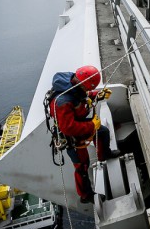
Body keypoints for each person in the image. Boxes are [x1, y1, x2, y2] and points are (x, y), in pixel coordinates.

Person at [48, 65, 115, 204]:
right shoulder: (63, 102)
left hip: (78, 124)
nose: (88, 91)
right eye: (88, 88)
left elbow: (81, 95)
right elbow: (68, 128)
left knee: (103, 132)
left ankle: (104, 155)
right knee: (82, 166)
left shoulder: (74, 83)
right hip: (72, 138)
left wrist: (97, 94)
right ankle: (85, 195)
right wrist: (91, 125)